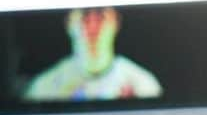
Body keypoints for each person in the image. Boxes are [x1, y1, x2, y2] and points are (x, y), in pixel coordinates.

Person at [24, 8, 163, 102]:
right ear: (69, 25)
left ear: (115, 23)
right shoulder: (42, 89)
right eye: (84, 18)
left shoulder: (144, 85)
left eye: (101, 18)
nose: (92, 30)